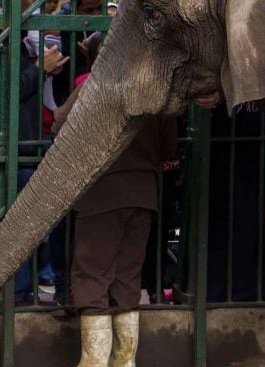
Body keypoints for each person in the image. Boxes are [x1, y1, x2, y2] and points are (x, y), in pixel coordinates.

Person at [53, 72, 177, 367]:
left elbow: (60, 125)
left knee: (93, 275)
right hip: (143, 193)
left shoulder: (95, 86)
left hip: (101, 194)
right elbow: (169, 147)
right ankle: (125, 361)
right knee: (127, 277)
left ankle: (94, 361)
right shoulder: (156, 90)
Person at [0, 0, 67, 304]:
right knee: (14, 225)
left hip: (21, 145)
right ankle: (16, 294)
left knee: (21, 225)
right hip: (3, 150)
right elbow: (2, 94)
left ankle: (20, 291)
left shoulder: (12, 39)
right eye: (23, 10)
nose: (28, 18)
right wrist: (40, 69)